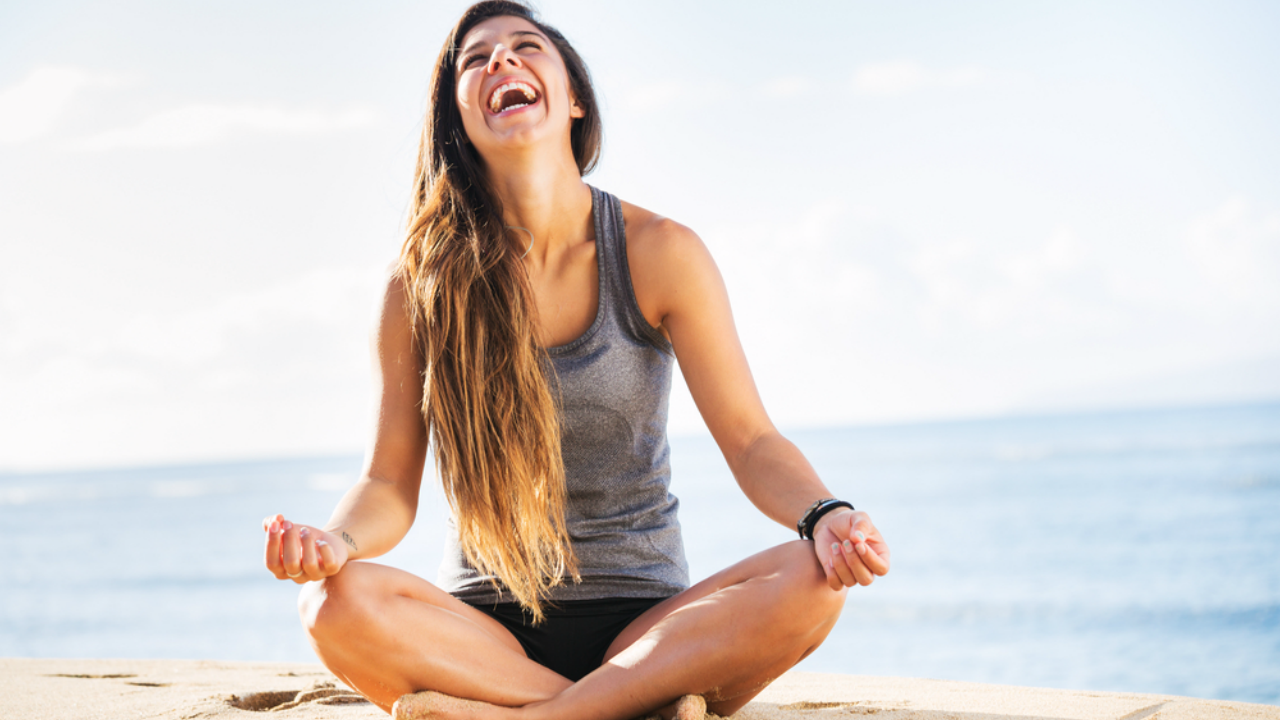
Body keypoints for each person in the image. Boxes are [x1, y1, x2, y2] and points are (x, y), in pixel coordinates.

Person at [261, 2, 890, 718]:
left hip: (647, 627)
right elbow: (388, 481)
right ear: (458, 117)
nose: (501, 60)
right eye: (476, 59)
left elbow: (751, 440)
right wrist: (335, 542)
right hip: (482, 632)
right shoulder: (420, 286)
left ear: (576, 100)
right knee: (332, 605)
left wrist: (824, 514)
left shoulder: (660, 253)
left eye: (525, 47)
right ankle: (623, 710)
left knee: (813, 580)